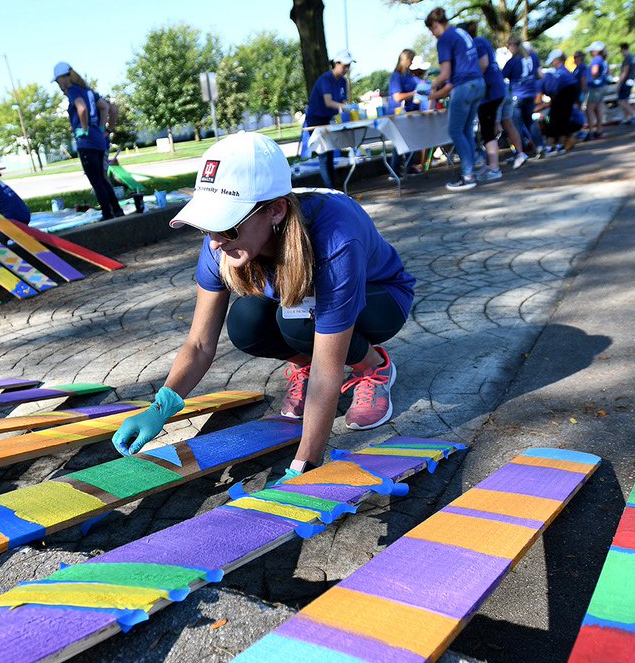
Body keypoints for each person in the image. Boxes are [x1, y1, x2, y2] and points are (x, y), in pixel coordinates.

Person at [110, 132, 416, 478]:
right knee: (246, 323)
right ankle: (304, 362)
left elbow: (327, 370)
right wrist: (160, 407)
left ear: (276, 210)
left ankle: (373, 368)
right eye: (206, 226)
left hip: (380, 298)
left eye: (226, 225)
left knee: (298, 323)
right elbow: (198, 344)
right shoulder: (220, 239)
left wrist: (306, 464)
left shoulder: (334, 237)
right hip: (302, 305)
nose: (213, 243)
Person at [52, 62, 124, 220]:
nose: (58, 85)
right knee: (102, 178)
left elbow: (82, 108)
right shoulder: (88, 91)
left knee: (96, 180)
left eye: (58, 81)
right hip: (98, 140)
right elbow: (106, 107)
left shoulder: (72, 90)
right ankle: (117, 210)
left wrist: (84, 128)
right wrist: (102, 128)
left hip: (87, 142)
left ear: (63, 78)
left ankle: (107, 214)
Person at [426, 8, 484, 191]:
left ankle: (468, 175)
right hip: (478, 84)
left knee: (455, 131)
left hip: (464, 87)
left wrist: (431, 86)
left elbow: (445, 74)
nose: (433, 35)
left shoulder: (445, 39)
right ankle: (473, 168)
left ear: (435, 25)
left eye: (431, 31)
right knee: (466, 130)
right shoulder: (461, 32)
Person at [304, 50, 354, 190]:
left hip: (328, 119)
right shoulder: (326, 79)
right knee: (324, 155)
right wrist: (344, 106)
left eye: (348, 66)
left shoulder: (343, 81)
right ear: (336, 63)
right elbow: (329, 102)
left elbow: (341, 101)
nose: (346, 69)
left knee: (330, 153)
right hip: (316, 119)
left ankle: (332, 188)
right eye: (344, 65)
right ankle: (330, 189)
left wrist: (346, 110)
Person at [463, 21, 506, 183]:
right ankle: (491, 164)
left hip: (489, 92)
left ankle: (494, 168)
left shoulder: (477, 42)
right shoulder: (480, 42)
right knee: (487, 129)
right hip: (492, 91)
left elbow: (483, 64)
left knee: (487, 131)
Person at [503, 36, 545, 158]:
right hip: (530, 94)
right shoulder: (533, 57)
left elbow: (503, 76)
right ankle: (540, 146)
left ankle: (521, 151)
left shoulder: (512, 61)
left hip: (517, 95)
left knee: (516, 124)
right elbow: (539, 75)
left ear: (512, 45)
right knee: (530, 121)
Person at [534, 50, 581, 154]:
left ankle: (551, 146)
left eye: (553, 61)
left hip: (564, 92)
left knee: (554, 119)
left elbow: (538, 99)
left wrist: (536, 108)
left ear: (557, 60)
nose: (552, 63)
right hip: (569, 91)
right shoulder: (561, 72)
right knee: (561, 118)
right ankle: (560, 144)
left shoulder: (544, 78)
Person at [585, 41, 609, 140]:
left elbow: (594, 71)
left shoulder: (596, 60)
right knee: (598, 109)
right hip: (601, 86)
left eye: (591, 51)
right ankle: (599, 130)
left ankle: (591, 131)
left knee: (589, 110)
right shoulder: (602, 59)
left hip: (595, 87)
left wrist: (593, 78)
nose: (590, 53)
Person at [616, 42, 635, 125]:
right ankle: (626, 118)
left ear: (622, 49)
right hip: (632, 80)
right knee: (626, 100)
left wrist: (619, 84)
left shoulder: (627, 58)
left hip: (626, 81)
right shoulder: (633, 57)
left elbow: (625, 72)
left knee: (621, 101)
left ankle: (634, 114)